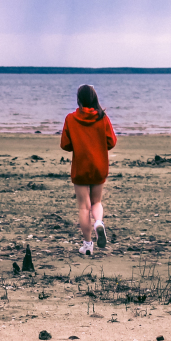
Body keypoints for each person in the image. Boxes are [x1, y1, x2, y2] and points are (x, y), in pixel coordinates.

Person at [60, 84, 117, 255]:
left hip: (81, 167)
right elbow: (111, 142)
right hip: (99, 165)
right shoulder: (102, 117)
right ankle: (99, 222)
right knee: (97, 202)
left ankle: (87, 245)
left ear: (79, 99)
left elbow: (65, 145)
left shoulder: (71, 118)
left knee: (84, 207)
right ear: (94, 98)